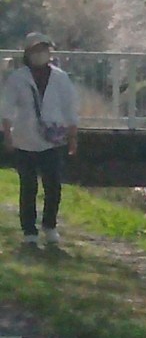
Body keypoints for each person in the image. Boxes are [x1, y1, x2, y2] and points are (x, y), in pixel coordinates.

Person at [1, 33, 79, 245]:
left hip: (52, 139)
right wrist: (7, 134)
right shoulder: (18, 78)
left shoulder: (60, 78)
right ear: (27, 53)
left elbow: (70, 107)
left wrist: (73, 135)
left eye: (44, 49)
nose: (41, 54)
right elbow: (7, 108)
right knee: (28, 187)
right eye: (36, 50)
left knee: (53, 186)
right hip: (24, 139)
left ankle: (50, 225)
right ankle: (29, 230)